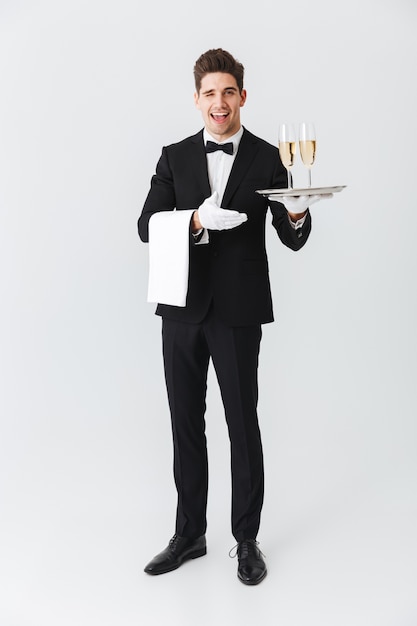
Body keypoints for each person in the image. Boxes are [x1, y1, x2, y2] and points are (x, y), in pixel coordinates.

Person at [138, 48, 327, 585]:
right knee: (184, 425)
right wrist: (195, 219)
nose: (218, 103)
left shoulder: (268, 156)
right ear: (196, 100)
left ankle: (246, 539)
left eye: (228, 92)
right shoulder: (173, 157)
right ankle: (189, 534)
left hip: (240, 311)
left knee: (242, 425)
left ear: (242, 96)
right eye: (209, 94)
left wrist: (297, 213)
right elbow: (147, 225)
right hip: (181, 309)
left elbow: (293, 238)